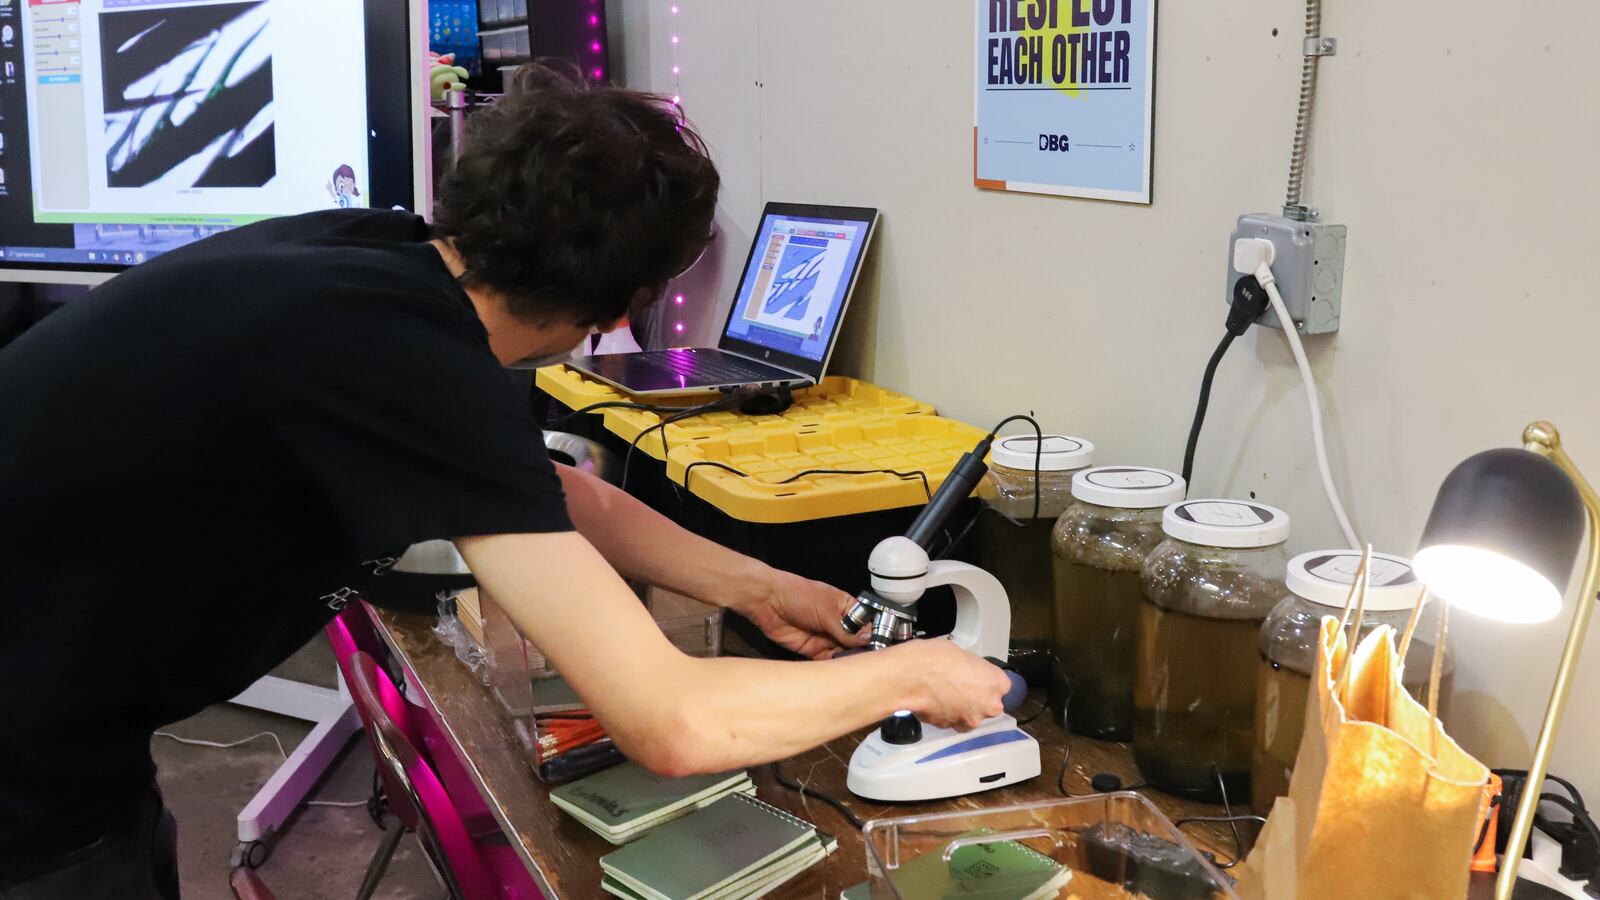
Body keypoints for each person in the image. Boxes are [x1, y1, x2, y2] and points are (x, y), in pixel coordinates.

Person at [0, 64, 1008, 898]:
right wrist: (916, 672)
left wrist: (764, 587)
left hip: (66, 699)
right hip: (29, 771)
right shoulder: (411, 360)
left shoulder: (377, 264)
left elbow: (554, 493)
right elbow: (676, 723)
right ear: (629, 301)